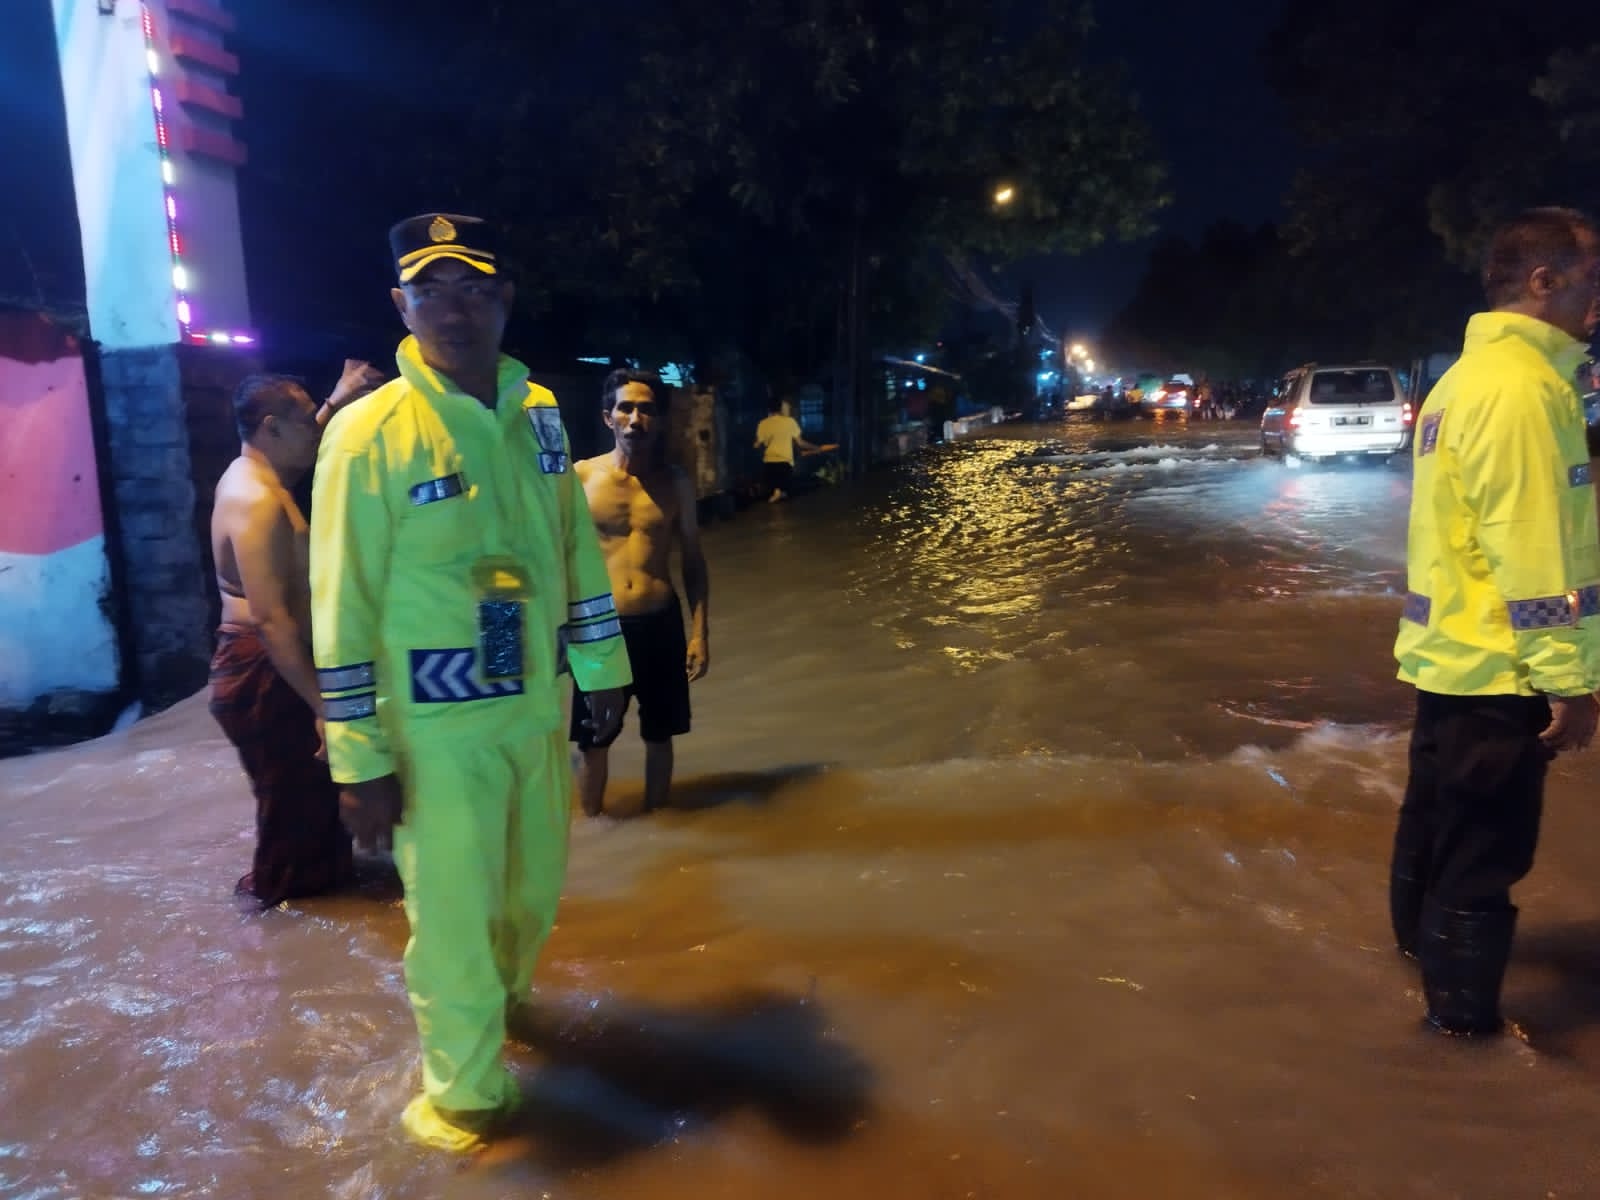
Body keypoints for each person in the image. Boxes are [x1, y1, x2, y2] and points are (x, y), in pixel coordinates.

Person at [309, 213, 631, 1151]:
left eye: (475, 289)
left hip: (531, 711)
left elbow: (572, 543)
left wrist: (599, 667)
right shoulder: (369, 435)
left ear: (505, 300)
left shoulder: (536, 413)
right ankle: (464, 1106)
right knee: (451, 922)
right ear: (400, 305)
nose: (455, 310)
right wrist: (359, 758)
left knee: (530, 897)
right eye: (432, 290)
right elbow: (341, 605)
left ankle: (506, 1019)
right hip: (433, 734)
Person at [1390, 206, 1600, 1037]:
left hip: (1449, 659)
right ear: (1544, 281)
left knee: (1433, 831)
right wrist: (1573, 686)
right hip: (1505, 672)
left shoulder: (1464, 382)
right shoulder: (1525, 392)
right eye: (1593, 279)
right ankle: (1461, 1034)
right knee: (1485, 856)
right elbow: (1535, 553)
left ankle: (1413, 972)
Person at [207, 361, 376, 907]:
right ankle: (277, 926)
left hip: (277, 669)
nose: (318, 430)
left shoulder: (261, 477)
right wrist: (325, 707)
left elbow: (295, 462)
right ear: (271, 428)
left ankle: (322, 907)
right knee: (292, 815)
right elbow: (273, 620)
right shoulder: (255, 501)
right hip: (266, 669)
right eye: (308, 421)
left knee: (313, 806)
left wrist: (335, 399)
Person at [571, 368, 710, 817]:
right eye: (626, 408)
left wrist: (699, 633)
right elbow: (559, 559)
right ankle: (593, 831)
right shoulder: (582, 478)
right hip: (601, 630)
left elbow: (692, 560)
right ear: (608, 418)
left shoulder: (677, 484)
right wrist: (562, 632)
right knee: (594, 738)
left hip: (660, 621)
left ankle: (658, 829)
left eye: (646, 409)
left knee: (660, 734)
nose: (636, 418)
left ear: (660, 420)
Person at [754, 393, 820, 501]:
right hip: (785, 464)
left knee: (777, 486)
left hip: (769, 465)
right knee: (784, 486)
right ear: (780, 407)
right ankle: (780, 492)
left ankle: (778, 491)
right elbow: (801, 443)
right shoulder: (790, 421)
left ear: (768, 409)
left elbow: (758, 444)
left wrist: (756, 445)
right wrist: (816, 447)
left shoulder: (762, 424)